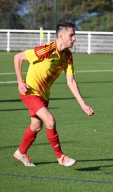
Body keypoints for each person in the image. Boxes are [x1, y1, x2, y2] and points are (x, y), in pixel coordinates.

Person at [13, 22, 94, 167]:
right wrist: (20, 82)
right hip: (30, 92)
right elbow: (18, 57)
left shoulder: (68, 56)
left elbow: (71, 81)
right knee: (50, 121)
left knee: (36, 126)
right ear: (61, 36)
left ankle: (20, 152)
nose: (74, 38)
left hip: (43, 95)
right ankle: (61, 157)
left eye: (74, 35)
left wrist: (83, 104)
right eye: (71, 35)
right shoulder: (45, 50)